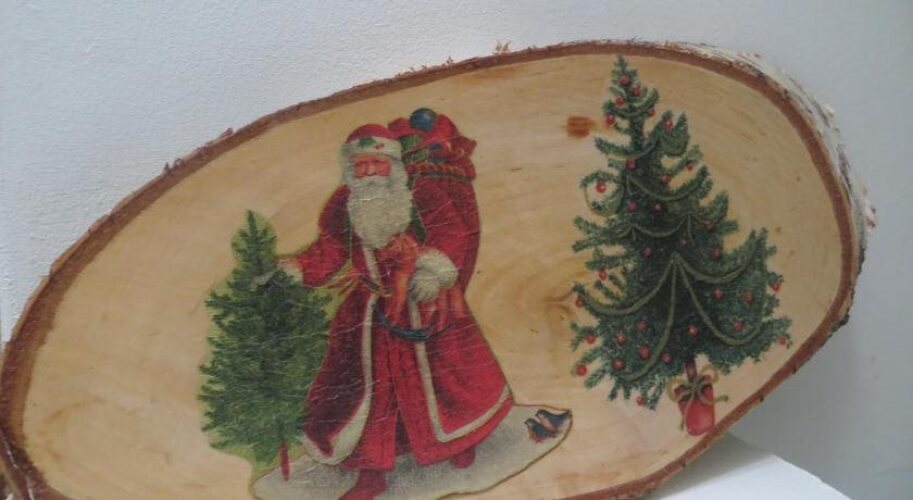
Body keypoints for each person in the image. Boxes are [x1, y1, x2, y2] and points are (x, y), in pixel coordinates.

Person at [280, 124, 512, 500]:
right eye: (361, 165)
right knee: (371, 394)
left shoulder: (421, 192)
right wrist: (298, 269)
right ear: (350, 168)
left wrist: (433, 271)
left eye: (378, 162)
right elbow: (329, 250)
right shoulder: (344, 203)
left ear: (393, 163)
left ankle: (460, 441)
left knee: (449, 378)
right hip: (372, 312)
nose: (370, 172)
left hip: (426, 301)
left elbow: (452, 233)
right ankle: (371, 473)